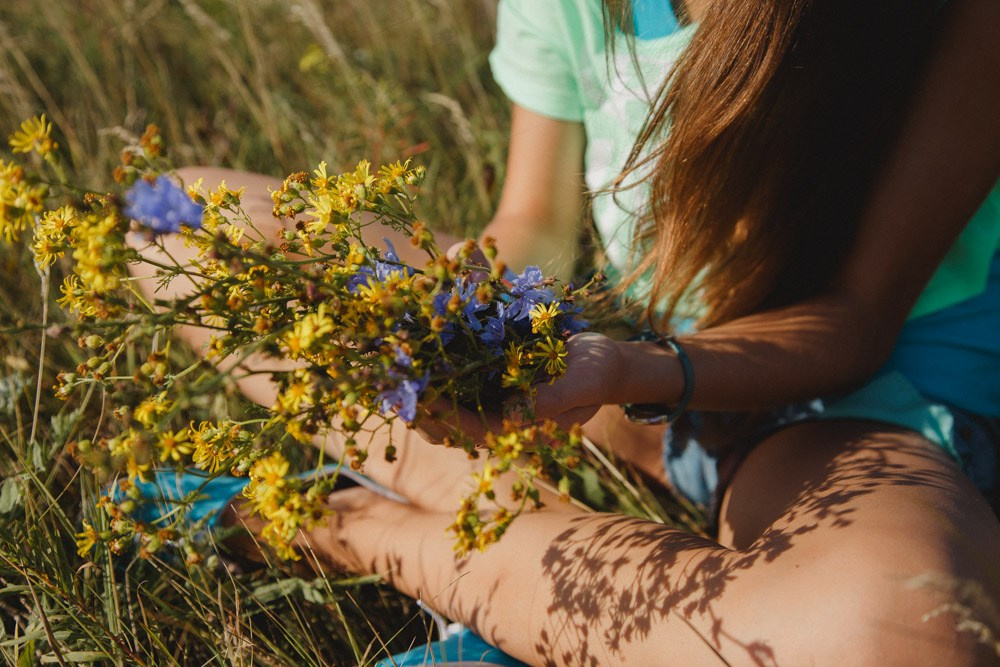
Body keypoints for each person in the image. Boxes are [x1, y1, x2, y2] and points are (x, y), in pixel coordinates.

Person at [129, 0, 1000, 664]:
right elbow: (534, 221)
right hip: (633, 388)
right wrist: (470, 296)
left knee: (898, 634)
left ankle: (354, 525)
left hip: (854, 410)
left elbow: (854, 321)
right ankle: (569, 570)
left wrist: (631, 367)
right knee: (175, 222)